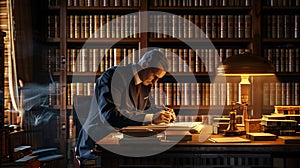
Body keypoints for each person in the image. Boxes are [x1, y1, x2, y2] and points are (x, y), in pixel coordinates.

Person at [75, 49, 176, 165]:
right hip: (98, 142)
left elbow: (146, 109)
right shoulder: (114, 76)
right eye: (154, 76)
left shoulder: (145, 84)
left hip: (123, 141)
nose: (155, 83)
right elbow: (110, 116)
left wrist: (163, 112)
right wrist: (152, 118)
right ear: (145, 65)